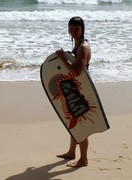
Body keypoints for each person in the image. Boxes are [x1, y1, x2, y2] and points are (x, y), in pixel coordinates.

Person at [55, 16, 91, 167]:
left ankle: (83, 159)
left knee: (80, 124)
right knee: (73, 121)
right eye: (71, 28)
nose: (73, 31)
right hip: (75, 89)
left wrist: (63, 58)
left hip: (82, 90)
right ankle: (71, 152)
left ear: (82, 29)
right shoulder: (77, 44)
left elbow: (77, 71)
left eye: (76, 29)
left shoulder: (83, 47)